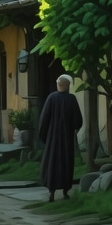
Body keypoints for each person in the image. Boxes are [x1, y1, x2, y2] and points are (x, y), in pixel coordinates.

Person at [37, 73, 83, 202]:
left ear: (58, 85)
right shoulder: (72, 99)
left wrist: (44, 137)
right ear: (68, 86)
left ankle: (51, 192)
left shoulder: (51, 98)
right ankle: (65, 192)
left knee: (51, 162)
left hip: (52, 138)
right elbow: (78, 120)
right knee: (66, 163)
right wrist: (74, 128)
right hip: (67, 138)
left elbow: (44, 119)